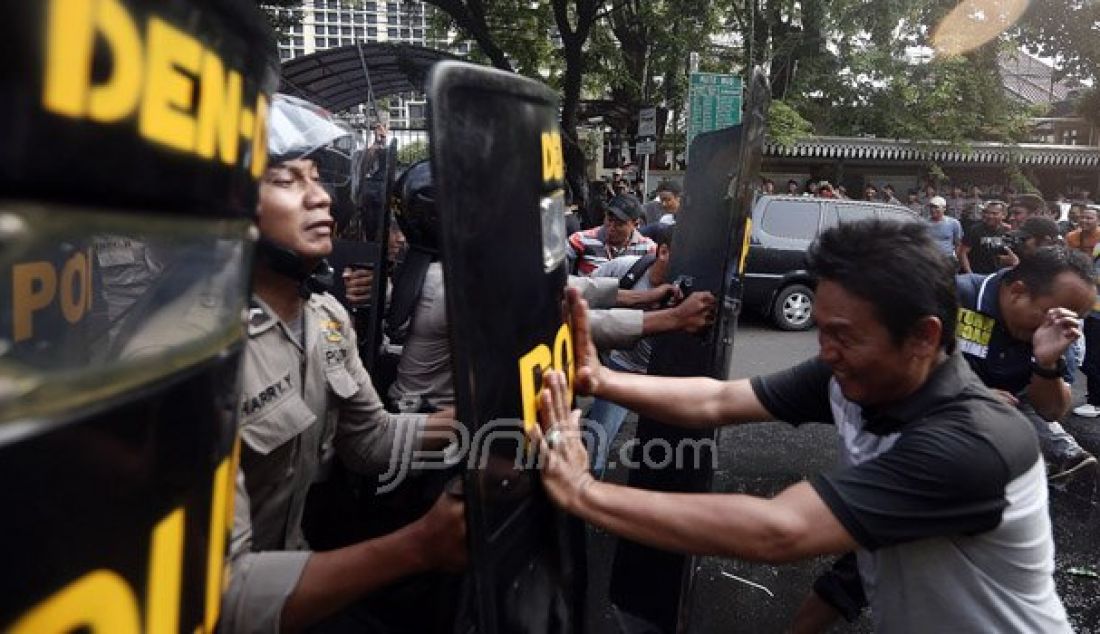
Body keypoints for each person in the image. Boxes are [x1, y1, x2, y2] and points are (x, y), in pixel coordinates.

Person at [532, 219, 1071, 632]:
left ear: (924, 338)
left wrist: (585, 493)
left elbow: (778, 530)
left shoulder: (970, 441)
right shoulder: (855, 373)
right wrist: (599, 380)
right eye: (820, 329)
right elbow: (719, 400)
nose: (826, 351)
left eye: (843, 335)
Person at [221, 95, 465, 634]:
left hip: (300, 572)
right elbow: (222, 593)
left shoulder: (326, 316)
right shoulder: (195, 353)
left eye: (318, 179)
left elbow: (369, 441)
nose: (321, 198)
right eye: (288, 181)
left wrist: (482, 419)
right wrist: (418, 546)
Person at [956, 246, 1098, 480]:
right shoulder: (953, 297)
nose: (1057, 327)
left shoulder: (1062, 330)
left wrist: (1047, 364)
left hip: (1009, 408)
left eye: (1074, 319)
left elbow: (1050, 411)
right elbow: (892, 377)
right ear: (1017, 292)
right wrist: (968, 397)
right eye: (1050, 315)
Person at [567, 194, 656, 276]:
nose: (611, 227)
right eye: (609, 220)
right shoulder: (580, 240)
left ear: (635, 224)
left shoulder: (648, 249)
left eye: (619, 224)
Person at [958, 200, 1010, 274]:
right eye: (987, 212)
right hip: (976, 274)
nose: (990, 216)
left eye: (994, 213)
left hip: (996, 275)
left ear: (1004, 215)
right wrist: (970, 274)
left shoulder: (1007, 231)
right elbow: (963, 253)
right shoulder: (975, 230)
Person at [925, 195, 963, 263]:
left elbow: (958, 243)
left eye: (936, 207)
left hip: (947, 260)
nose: (933, 210)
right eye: (931, 207)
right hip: (929, 260)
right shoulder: (923, 223)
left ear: (944, 208)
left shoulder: (954, 223)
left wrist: (954, 258)